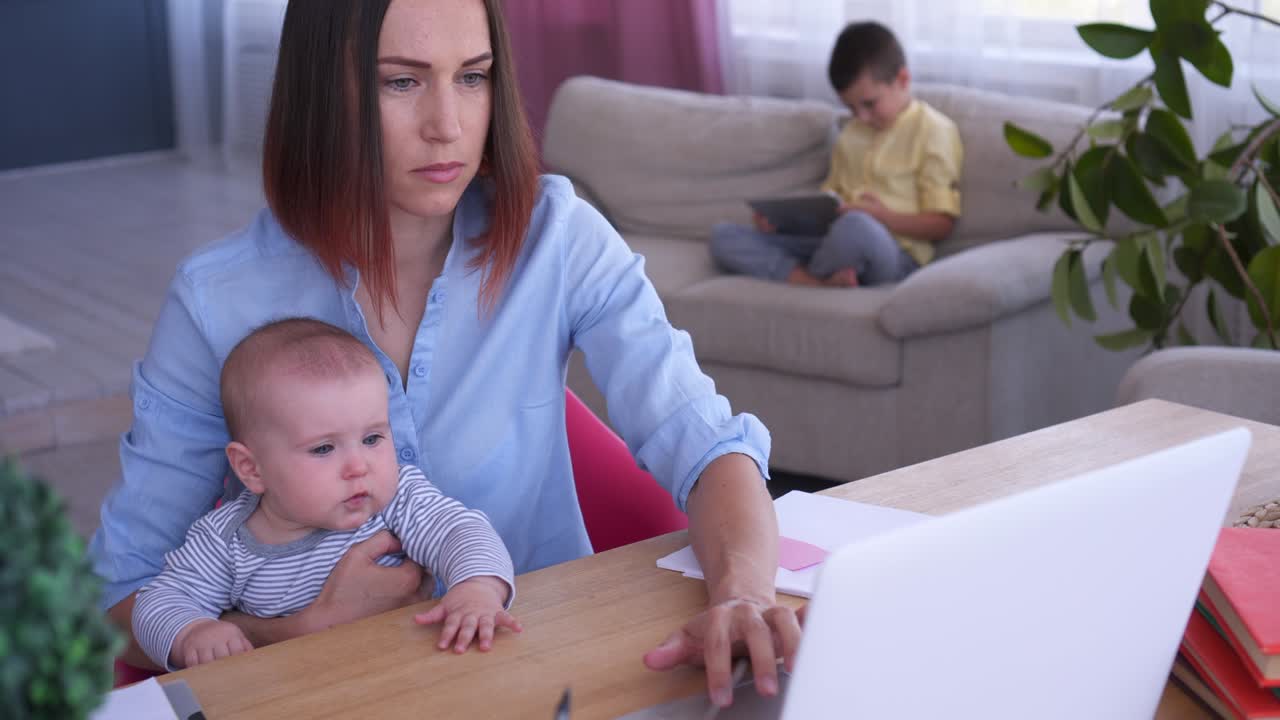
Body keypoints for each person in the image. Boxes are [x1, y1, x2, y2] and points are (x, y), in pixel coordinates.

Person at [88, 0, 798, 708]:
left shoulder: (558, 238)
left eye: (473, 77)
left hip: (559, 669)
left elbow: (705, 445)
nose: (448, 127)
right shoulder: (219, 300)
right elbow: (121, 593)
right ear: (322, 94)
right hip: (330, 696)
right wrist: (301, 629)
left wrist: (744, 594)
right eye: (402, 81)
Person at [132, 319, 519, 670]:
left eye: (372, 439)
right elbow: (158, 601)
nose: (358, 467)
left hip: (412, 680)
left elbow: (461, 532)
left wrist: (477, 588)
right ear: (252, 469)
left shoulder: (397, 499)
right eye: (323, 449)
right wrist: (192, 633)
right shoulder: (225, 542)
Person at [709, 21, 964, 288]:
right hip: (832, 241)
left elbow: (942, 224)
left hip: (892, 252)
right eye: (852, 108)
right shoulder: (851, 134)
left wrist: (881, 216)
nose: (861, 117)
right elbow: (831, 206)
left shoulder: (935, 130)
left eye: (869, 104)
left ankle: (808, 273)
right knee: (723, 236)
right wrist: (784, 224)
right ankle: (818, 281)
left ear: (902, 80)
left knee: (856, 226)